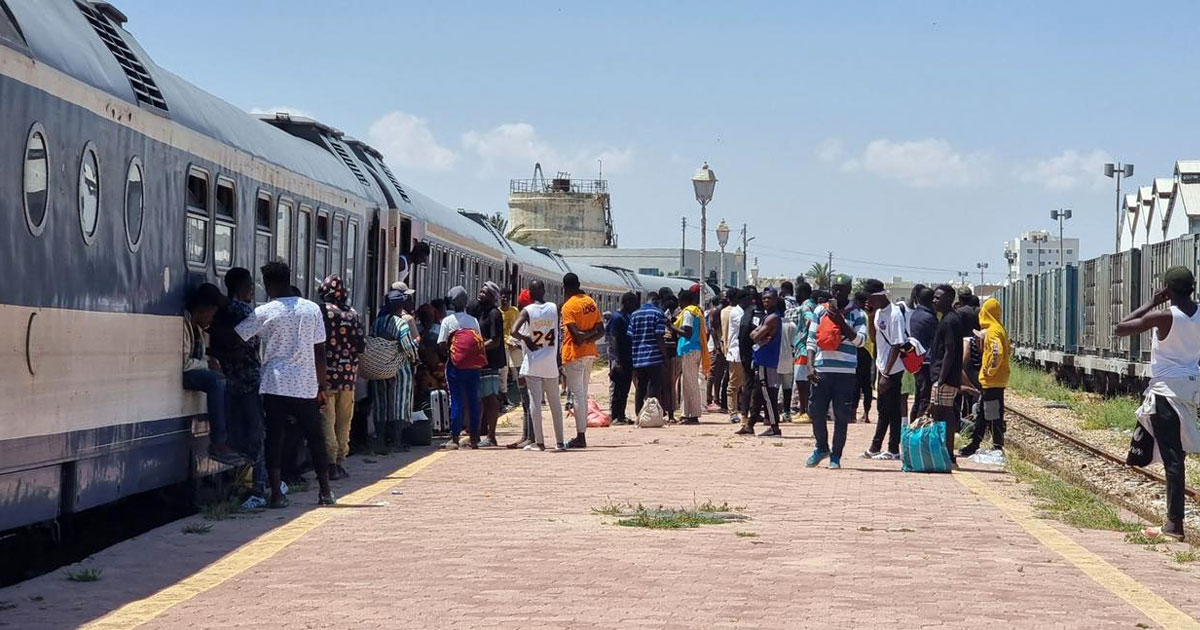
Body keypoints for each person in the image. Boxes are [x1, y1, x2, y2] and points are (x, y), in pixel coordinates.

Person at [235, 262, 335, 507]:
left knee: (275, 438)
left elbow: (238, 336)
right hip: (305, 384)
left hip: (275, 383)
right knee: (314, 437)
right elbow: (319, 350)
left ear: (268, 285)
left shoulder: (265, 311)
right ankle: (325, 492)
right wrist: (322, 387)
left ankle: (277, 495)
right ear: (289, 278)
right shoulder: (312, 309)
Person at [1116, 267, 1200, 542]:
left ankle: (1174, 524)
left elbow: (1121, 327)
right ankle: (1173, 520)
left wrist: (1153, 302)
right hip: (1191, 390)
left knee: (1173, 459)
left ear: (1168, 289)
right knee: (1178, 455)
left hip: (1166, 392)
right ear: (1192, 286)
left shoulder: (1164, 316)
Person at [207, 269, 266, 506]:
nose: (253, 289)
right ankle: (258, 488)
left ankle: (240, 485)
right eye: (250, 285)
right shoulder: (243, 311)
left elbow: (220, 343)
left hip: (230, 379)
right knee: (257, 436)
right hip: (249, 379)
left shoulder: (221, 312)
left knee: (238, 436)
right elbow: (246, 345)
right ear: (242, 287)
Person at [805, 274, 868, 469]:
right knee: (816, 412)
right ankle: (821, 447)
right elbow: (811, 339)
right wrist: (809, 365)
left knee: (841, 415)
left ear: (849, 290)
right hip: (822, 369)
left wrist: (841, 322)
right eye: (835, 288)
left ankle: (836, 455)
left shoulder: (857, 313)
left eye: (841, 289)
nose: (837, 292)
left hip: (846, 372)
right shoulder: (819, 310)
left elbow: (861, 341)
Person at [183, 283, 247, 466]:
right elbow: (185, 362)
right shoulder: (184, 326)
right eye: (211, 314)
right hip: (188, 373)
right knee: (217, 382)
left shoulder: (197, 329)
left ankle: (230, 438)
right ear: (203, 310)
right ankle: (218, 442)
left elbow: (201, 355)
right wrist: (208, 365)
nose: (211, 319)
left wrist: (213, 363)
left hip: (196, 370)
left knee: (224, 381)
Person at [317, 276, 365, 479]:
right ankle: (339, 461)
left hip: (326, 376)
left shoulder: (322, 312)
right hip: (348, 378)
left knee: (327, 419)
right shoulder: (353, 314)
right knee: (344, 421)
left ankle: (329, 463)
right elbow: (361, 346)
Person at [510, 280, 565, 451]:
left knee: (535, 402)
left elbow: (513, 331)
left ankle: (540, 442)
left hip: (533, 361)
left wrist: (526, 339)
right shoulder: (554, 308)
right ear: (544, 291)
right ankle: (560, 442)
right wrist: (558, 360)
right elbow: (557, 334)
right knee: (555, 403)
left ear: (530, 294)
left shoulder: (527, 311)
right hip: (550, 363)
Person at [861, 279, 907, 460]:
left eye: (868, 297)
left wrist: (886, 374)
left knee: (887, 408)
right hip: (881, 365)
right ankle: (887, 447)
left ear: (876, 296)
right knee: (888, 409)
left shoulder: (895, 315)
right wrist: (871, 316)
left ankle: (882, 447)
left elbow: (897, 345)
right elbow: (873, 339)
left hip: (893, 368)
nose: (866, 301)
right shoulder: (879, 313)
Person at [559, 273, 604, 448]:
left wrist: (583, 337)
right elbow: (601, 331)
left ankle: (580, 436)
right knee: (582, 394)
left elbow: (576, 336)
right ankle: (581, 434)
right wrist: (590, 336)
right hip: (590, 353)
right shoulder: (590, 303)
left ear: (565, 287)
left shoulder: (568, 307)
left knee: (576, 394)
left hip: (574, 354)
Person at [960, 296, 1009, 458]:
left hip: (992, 381)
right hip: (997, 380)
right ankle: (987, 444)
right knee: (989, 413)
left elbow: (996, 351)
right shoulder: (999, 328)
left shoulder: (993, 331)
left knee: (987, 413)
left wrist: (989, 370)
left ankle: (983, 445)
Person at [928, 284, 970, 466]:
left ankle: (948, 456)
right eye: (934, 297)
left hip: (944, 377)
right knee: (940, 414)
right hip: (942, 375)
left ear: (948, 300)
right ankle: (943, 454)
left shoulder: (950, 321)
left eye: (938, 298)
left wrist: (941, 379)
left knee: (944, 414)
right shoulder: (947, 318)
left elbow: (950, 351)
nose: (934, 301)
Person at [438, 286, 484, 449]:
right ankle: (474, 439)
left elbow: (442, 344)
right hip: (473, 367)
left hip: (455, 367)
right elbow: (479, 341)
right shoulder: (473, 320)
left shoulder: (447, 321)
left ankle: (455, 438)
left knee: (457, 400)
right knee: (473, 400)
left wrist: (451, 355)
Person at [372, 288, 417, 450]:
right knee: (399, 402)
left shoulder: (378, 322)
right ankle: (397, 442)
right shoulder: (400, 323)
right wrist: (415, 359)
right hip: (399, 368)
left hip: (379, 367)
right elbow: (408, 346)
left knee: (381, 404)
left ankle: (380, 440)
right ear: (401, 305)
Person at [740, 287, 784, 437]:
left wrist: (758, 334)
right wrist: (758, 334)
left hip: (767, 360)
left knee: (767, 393)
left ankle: (774, 426)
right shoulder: (767, 317)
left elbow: (755, 336)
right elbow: (755, 334)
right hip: (761, 358)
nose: (766, 301)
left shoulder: (773, 318)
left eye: (769, 298)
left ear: (776, 300)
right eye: (764, 298)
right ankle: (750, 424)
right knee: (758, 393)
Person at [473, 281, 507, 447]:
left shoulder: (494, 314)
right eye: (480, 291)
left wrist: (475, 347)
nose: (480, 294)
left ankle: (491, 436)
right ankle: (481, 432)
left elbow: (495, 341)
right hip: (481, 361)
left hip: (490, 362)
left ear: (492, 296)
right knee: (481, 398)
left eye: (484, 292)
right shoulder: (481, 311)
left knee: (490, 398)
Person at [629, 290, 671, 416]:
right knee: (654, 386)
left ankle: (639, 414)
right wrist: (665, 356)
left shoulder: (634, 314)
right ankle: (651, 414)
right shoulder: (658, 314)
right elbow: (659, 337)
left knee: (640, 386)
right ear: (656, 301)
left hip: (637, 357)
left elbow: (630, 335)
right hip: (654, 356)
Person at [675, 285, 709, 424]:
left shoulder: (688, 313)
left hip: (689, 349)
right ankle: (686, 413)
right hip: (695, 349)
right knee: (688, 382)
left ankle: (692, 414)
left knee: (690, 383)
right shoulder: (697, 312)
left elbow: (687, 333)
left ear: (684, 301)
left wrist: (671, 326)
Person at [607, 292, 639, 425]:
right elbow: (613, 338)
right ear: (627, 303)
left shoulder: (627, 317)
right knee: (618, 388)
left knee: (624, 388)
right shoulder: (617, 317)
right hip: (620, 358)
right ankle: (615, 415)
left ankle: (621, 414)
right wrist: (617, 359)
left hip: (627, 357)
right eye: (633, 303)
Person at [907, 285, 937, 421]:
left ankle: (912, 425)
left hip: (917, 360)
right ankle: (918, 428)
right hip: (926, 361)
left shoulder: (916, 314)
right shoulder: (929, 318)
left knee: (919, 398)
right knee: (925, 398)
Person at [790, 281, 815, 419]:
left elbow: (811, 321)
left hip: (803, 347)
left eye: (797, 293)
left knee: (801, 380)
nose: (796, 295)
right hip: (806, 347)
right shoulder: (813, 305)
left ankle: (804, 411)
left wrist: (808, 336)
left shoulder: (805, 307)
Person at [722, 289, 744, 423]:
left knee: (745, 384)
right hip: (735, 351)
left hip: (740, 351)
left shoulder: (730, 311)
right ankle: (733, 412)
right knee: (734, 384)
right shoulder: (736, 313)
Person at [853, 291, 874, 424]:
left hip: (859, 350)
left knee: (856, 384)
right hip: (870, 352)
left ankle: (854, 413)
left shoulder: (858, 315)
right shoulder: (871, 315)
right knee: (867, 385)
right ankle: (866, 414)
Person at [499, 289, 521, 409]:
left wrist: (517, 342)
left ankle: (521, 394)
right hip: (502, 346)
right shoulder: (497, 312)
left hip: (514, 344)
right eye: (503, 298)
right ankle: (504, 397)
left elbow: (518, 327)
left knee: (516, 370)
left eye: (507, 298)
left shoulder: (514, 311)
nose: (505, 300)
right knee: (504, 371)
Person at [706, 296, 728, 412]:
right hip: (715, 347)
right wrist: (717, 346)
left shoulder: (723, 311)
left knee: (719, 374)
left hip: (721, 346)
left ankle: (716, 398)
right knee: (712, 373)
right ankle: (708, 399)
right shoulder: (716, 311)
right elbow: (712, 330)